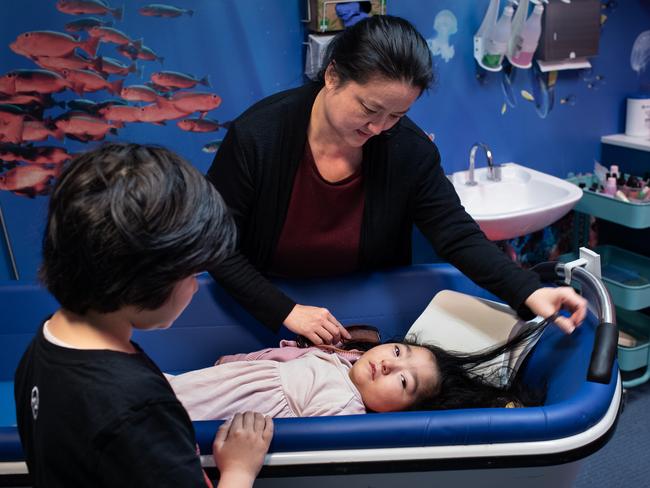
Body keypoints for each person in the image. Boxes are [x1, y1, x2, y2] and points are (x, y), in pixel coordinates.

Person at [206, 15, 587, 346]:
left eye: (396, 115)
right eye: (369, 108)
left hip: (368, 305)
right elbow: (217, 246)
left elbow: (456, 234)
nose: (378, 128)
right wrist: (285, 310)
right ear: (333, 75)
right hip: (270, 306)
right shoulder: (258, 137)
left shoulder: (408, 150)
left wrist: (529, 291)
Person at [13, 143, 273, 488]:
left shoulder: (41, 349)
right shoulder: (138, 410)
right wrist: (239, 471)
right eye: (191, 274)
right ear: (144, 277)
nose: (196, 288)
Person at [167, 320, 548, 420]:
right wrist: (233, 364)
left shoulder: (344, 407)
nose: (389, 362)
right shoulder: (342, 357)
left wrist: (501, 408)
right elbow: (272, 359)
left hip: (202, 416)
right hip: (191, 385)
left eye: (403, 380)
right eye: (399, 350)